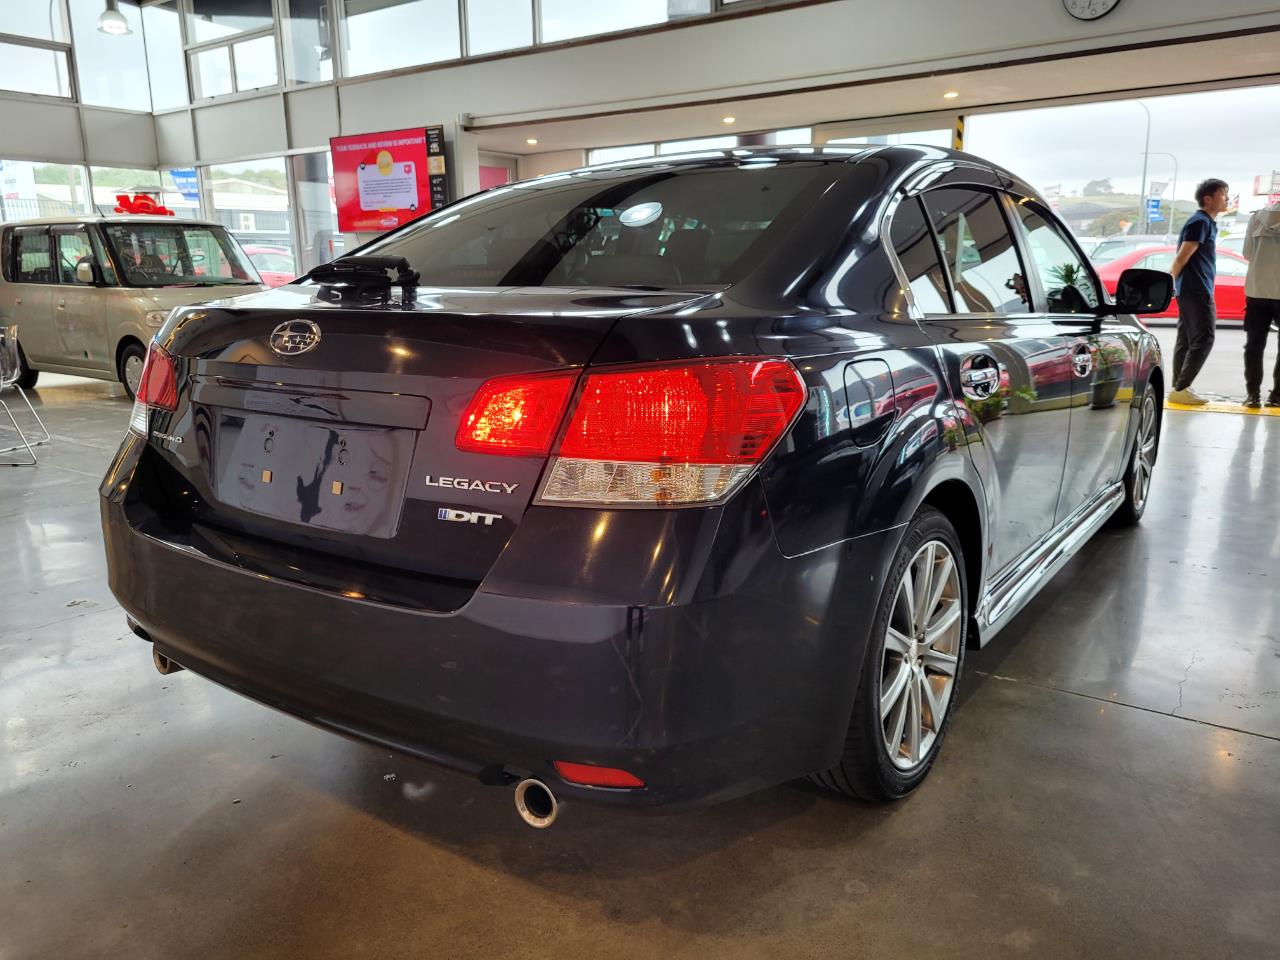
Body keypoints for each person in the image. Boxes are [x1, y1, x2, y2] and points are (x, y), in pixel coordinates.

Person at [1168, 178, 1230, 405]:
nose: (1227, 199)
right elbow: (1182, 257)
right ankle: (1181, 387)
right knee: (1205, 337)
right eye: (1223, 195)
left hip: (1191, 289)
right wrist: (1170, 280)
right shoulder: (1200, 222)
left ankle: (1180, 389)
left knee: (1186, 339)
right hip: (1196, 290)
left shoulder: (1204, 222)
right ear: (1208, 198)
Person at [1242, 201, 1280, 408]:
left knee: (1254, 345)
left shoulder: (1257, 217)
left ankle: (1253, 396)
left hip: (1257, 290)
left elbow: (1247, 253)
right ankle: (1277, 396)